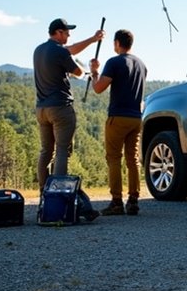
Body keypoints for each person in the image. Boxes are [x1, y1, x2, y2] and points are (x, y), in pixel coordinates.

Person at [33, 17, 106, 221]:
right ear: (58, 32)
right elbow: (78, 71)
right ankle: (58, 196)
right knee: (63, 150)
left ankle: (44, 192)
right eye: (66, 32)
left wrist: (92, 39)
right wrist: (88, 69)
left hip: (42, 109)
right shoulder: (60, 51)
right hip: (61, 108)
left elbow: (70, 49)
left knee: (46, 150)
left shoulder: (39, 50)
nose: (69, 35)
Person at [89, 29, 148, 216]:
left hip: (118, 116)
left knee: (114, 158)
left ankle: (116, 201)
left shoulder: (114, 62)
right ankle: (133, 200)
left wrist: (94, 73)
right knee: (133, 160)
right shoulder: (141, 65)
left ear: (116, 43)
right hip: (136, 117)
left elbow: (98, 89)